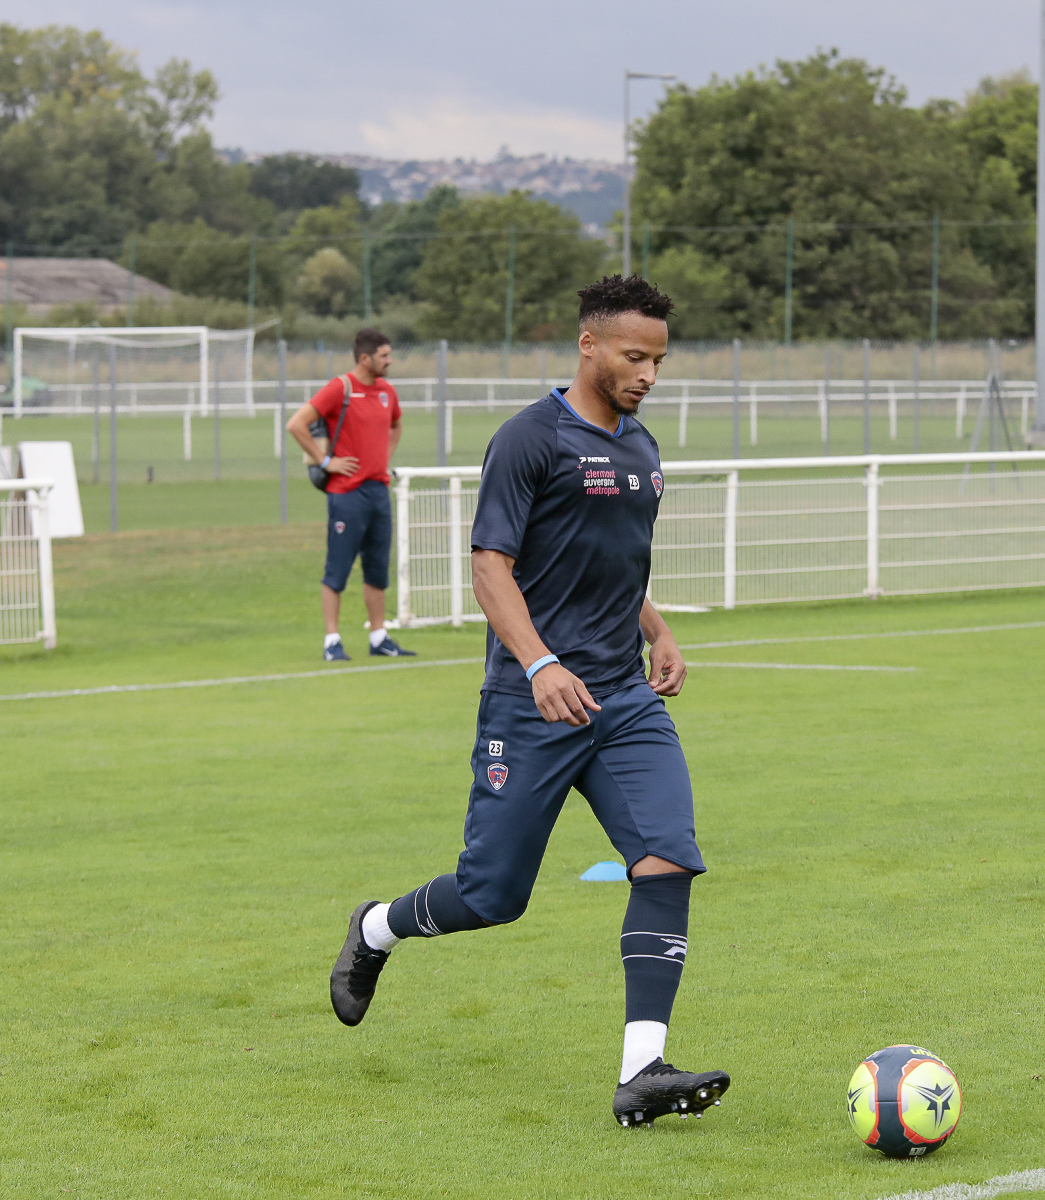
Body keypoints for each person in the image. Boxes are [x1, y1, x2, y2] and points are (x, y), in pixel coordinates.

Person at [327, 276, 729, 1128]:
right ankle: (375, 930)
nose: (648, 373)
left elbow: (614, 563)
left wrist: (657, 629)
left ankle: (643, 1069)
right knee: (490, 897)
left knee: (667, 859)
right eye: (633, 356)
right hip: (533, 703)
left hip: (622, 699)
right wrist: (541, 661)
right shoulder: (529, 440)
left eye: (658, 359)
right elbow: (490, 567)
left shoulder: (642, 449)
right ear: (589, 346)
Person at [286, 328, 415, 661]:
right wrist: (326, 461)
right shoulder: (339, 388)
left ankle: (378, 637)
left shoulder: (387, 391)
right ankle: (332, 641)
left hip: (378, 491)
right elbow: (296, 424)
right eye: (384, 356)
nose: (390, 361)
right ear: (364, 358)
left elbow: (397, 424)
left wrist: (385, 457)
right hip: (346, 494)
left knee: (377, 568)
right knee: (338, 569)